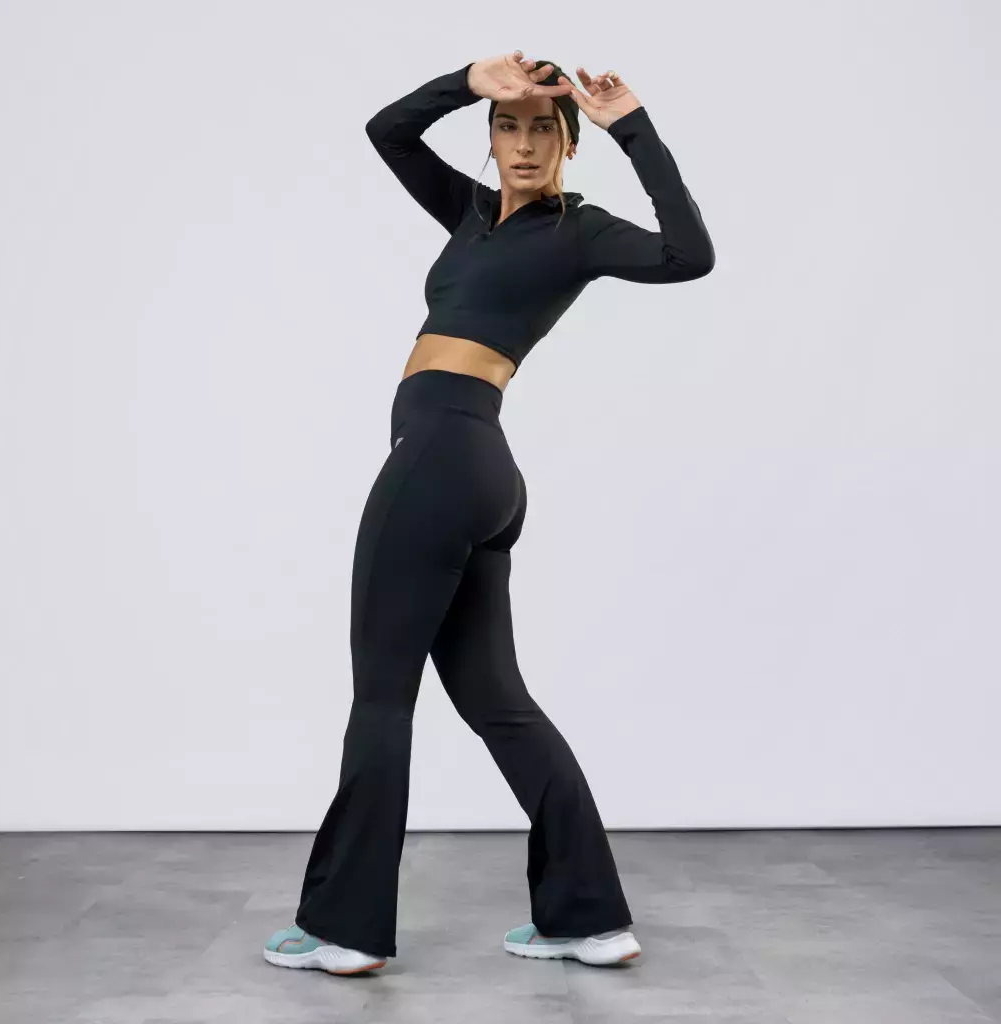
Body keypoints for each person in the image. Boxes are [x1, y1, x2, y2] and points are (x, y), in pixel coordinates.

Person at [262, 49, 715, 976]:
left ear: (568, 145)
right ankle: (588, 919)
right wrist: (471, 78)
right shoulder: (469, 216)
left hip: (444, 460)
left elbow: (689, 255)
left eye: (544, 130)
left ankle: (345, 928)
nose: (523, 145)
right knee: (498, 702)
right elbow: (387, 131)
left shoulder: (579, 231)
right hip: (472, 472)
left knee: (381, 697)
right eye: (508, 127)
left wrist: (632, 126)